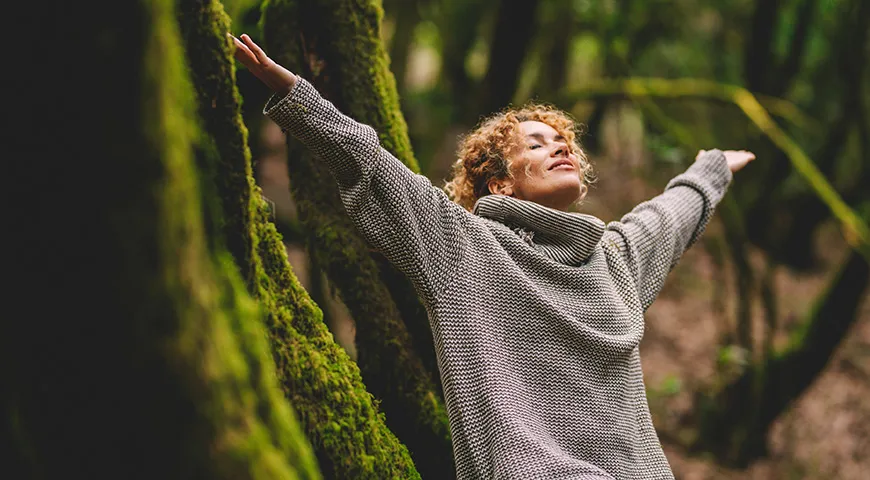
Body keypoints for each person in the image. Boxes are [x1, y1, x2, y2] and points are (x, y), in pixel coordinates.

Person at [230, 33, 755, 480]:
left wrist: (712, 170)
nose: (559, 147)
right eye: (536, 144)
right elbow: (371, 165)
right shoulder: (462, 248)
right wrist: (294, 93)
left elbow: (665, 217)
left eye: (562, 141)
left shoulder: (613, 260)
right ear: (500, 183)